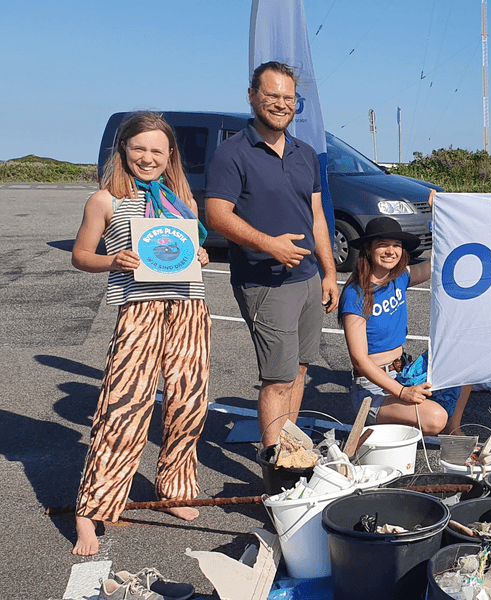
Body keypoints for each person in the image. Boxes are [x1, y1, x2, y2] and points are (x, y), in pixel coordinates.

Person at [70, 112, 212, 555]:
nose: (148, 157)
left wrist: (201, 254)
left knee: (189, 401)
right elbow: (80, 255)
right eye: (139, 149)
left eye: (157, 150)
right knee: (124, 404)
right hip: (139, 310)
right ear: (123, 151)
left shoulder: (180, 197)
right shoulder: (106, 200)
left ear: (169, 155)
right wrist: (113, 261)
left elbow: (188, 244)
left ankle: (175, 485)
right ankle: (92, 508)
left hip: (190, 307)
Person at [206, 61, 340, 449]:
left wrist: (329, 273)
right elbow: (216, 214)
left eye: (288, 97)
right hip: (263, 282)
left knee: (298, 370)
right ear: (252, 96)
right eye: (271, 95)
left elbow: (316, 217)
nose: (280, 104)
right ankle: (275, 468)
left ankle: (290, 447)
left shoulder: (306, 153)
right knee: (278, 378)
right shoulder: (232, 153)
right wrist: (269, 244)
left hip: (308, 278)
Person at [339, 217, 470, 436]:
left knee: (462, 361)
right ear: (368, 250)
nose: (390, 250)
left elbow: (440, 261)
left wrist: (440, 214)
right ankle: (383, 422)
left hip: (405, 371)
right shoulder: (355, 294)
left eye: (396, 245)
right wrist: (402, 392)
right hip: (372, 389)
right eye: (382, 244)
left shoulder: (399, 277)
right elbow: (360, 361)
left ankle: (454, 430)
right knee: (435, 418)